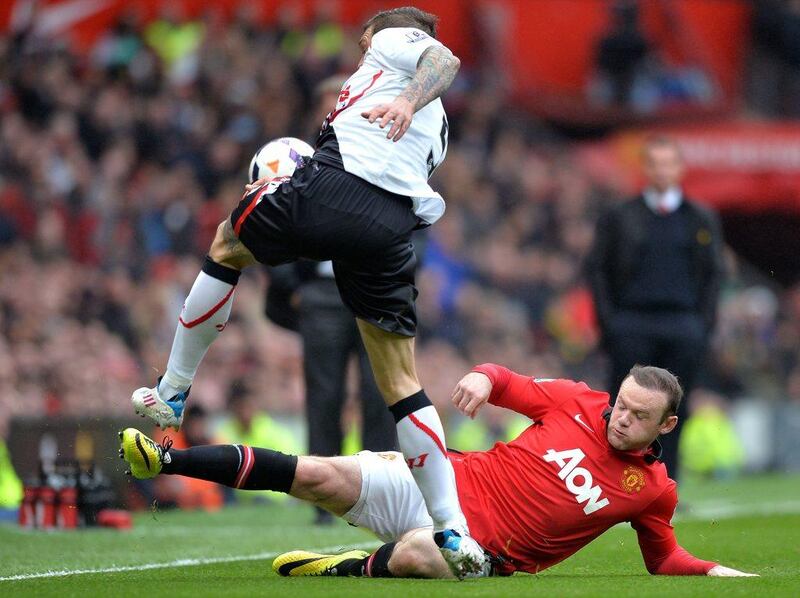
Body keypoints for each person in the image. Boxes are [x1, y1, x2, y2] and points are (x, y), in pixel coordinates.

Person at [127, 6, 483, 576]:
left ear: (381, 32)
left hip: (339, 187)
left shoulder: (397, 44)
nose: (362, 48)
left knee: (225, 242)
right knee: (401, 383)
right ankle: (453, 531)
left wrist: (403, 99)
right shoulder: (440, 126)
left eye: (363, 39)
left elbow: (444, 58)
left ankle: (171, 390)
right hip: (392, 232)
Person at [119, 362, 756, 579]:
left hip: (478, 548)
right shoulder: (578, 400)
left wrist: (715, 570)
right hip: (441, 481)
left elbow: (661, 558)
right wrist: (482, 379)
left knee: (426, 555)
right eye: (620, 405)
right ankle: (166, 458)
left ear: (665, 426)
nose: (620, 420)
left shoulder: (654, 493)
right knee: (314, 473)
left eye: (638, 416)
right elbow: (507, 381)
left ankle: (344, 567)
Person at [265, 75, 398, 525]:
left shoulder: (383, 153)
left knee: (381, 392)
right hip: (321, 293)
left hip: (373, 286)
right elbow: (271, 213)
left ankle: (381, 490)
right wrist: (292, 287)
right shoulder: (299, 159)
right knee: (324, 394)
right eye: (329, 101)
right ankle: (325, 494)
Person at [586, 135, 725, 479]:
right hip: (632, 322)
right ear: (646, 169)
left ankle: (667, 483)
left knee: (676, 408)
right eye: (655, 163)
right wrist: (611, 324)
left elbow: (713, 275)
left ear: (680, 169)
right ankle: (613, 481)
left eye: (669, 163)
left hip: (682, 324)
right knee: (623, 408)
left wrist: (701, 326)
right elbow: (598, 270)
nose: (662, 171)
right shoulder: (620, 216)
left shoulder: (700, 218)